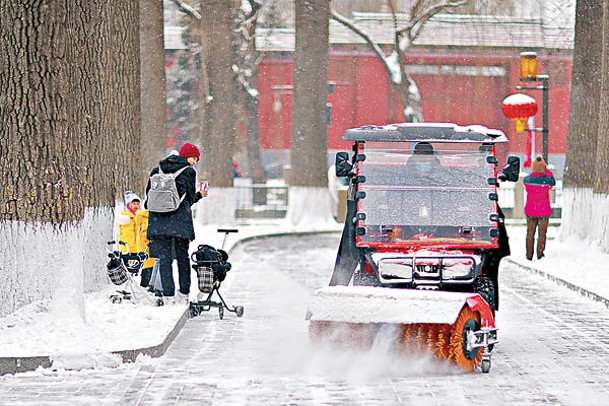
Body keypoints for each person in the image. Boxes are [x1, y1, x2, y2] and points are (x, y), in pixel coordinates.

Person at [145, 143, 207, 303]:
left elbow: (148, 197)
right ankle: (184, 295)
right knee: (182, 258)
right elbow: (190, 199)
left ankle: (168, 296)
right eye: (194, 158)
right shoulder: (188, 172)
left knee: (165, 258)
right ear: (187, 157)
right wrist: (200, 194)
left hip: (159, 222)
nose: (194, 162)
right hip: (179, 223)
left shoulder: (156, 170)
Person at [523, 156, 555, 260]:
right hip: (544, 211)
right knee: (542, 234)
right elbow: (552, 181)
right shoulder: (547, 181)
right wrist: (546, 171)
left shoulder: (527, 180)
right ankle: (540, 254)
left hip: (530, 210)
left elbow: (527, 179)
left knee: (530, 233)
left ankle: (529, 254)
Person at [134, 208, 156, 287]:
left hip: (144, 248)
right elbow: (146, 235)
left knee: (147, 269)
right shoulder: (148, 218)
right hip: (149, 249)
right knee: (149, 271)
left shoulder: (142, 217)